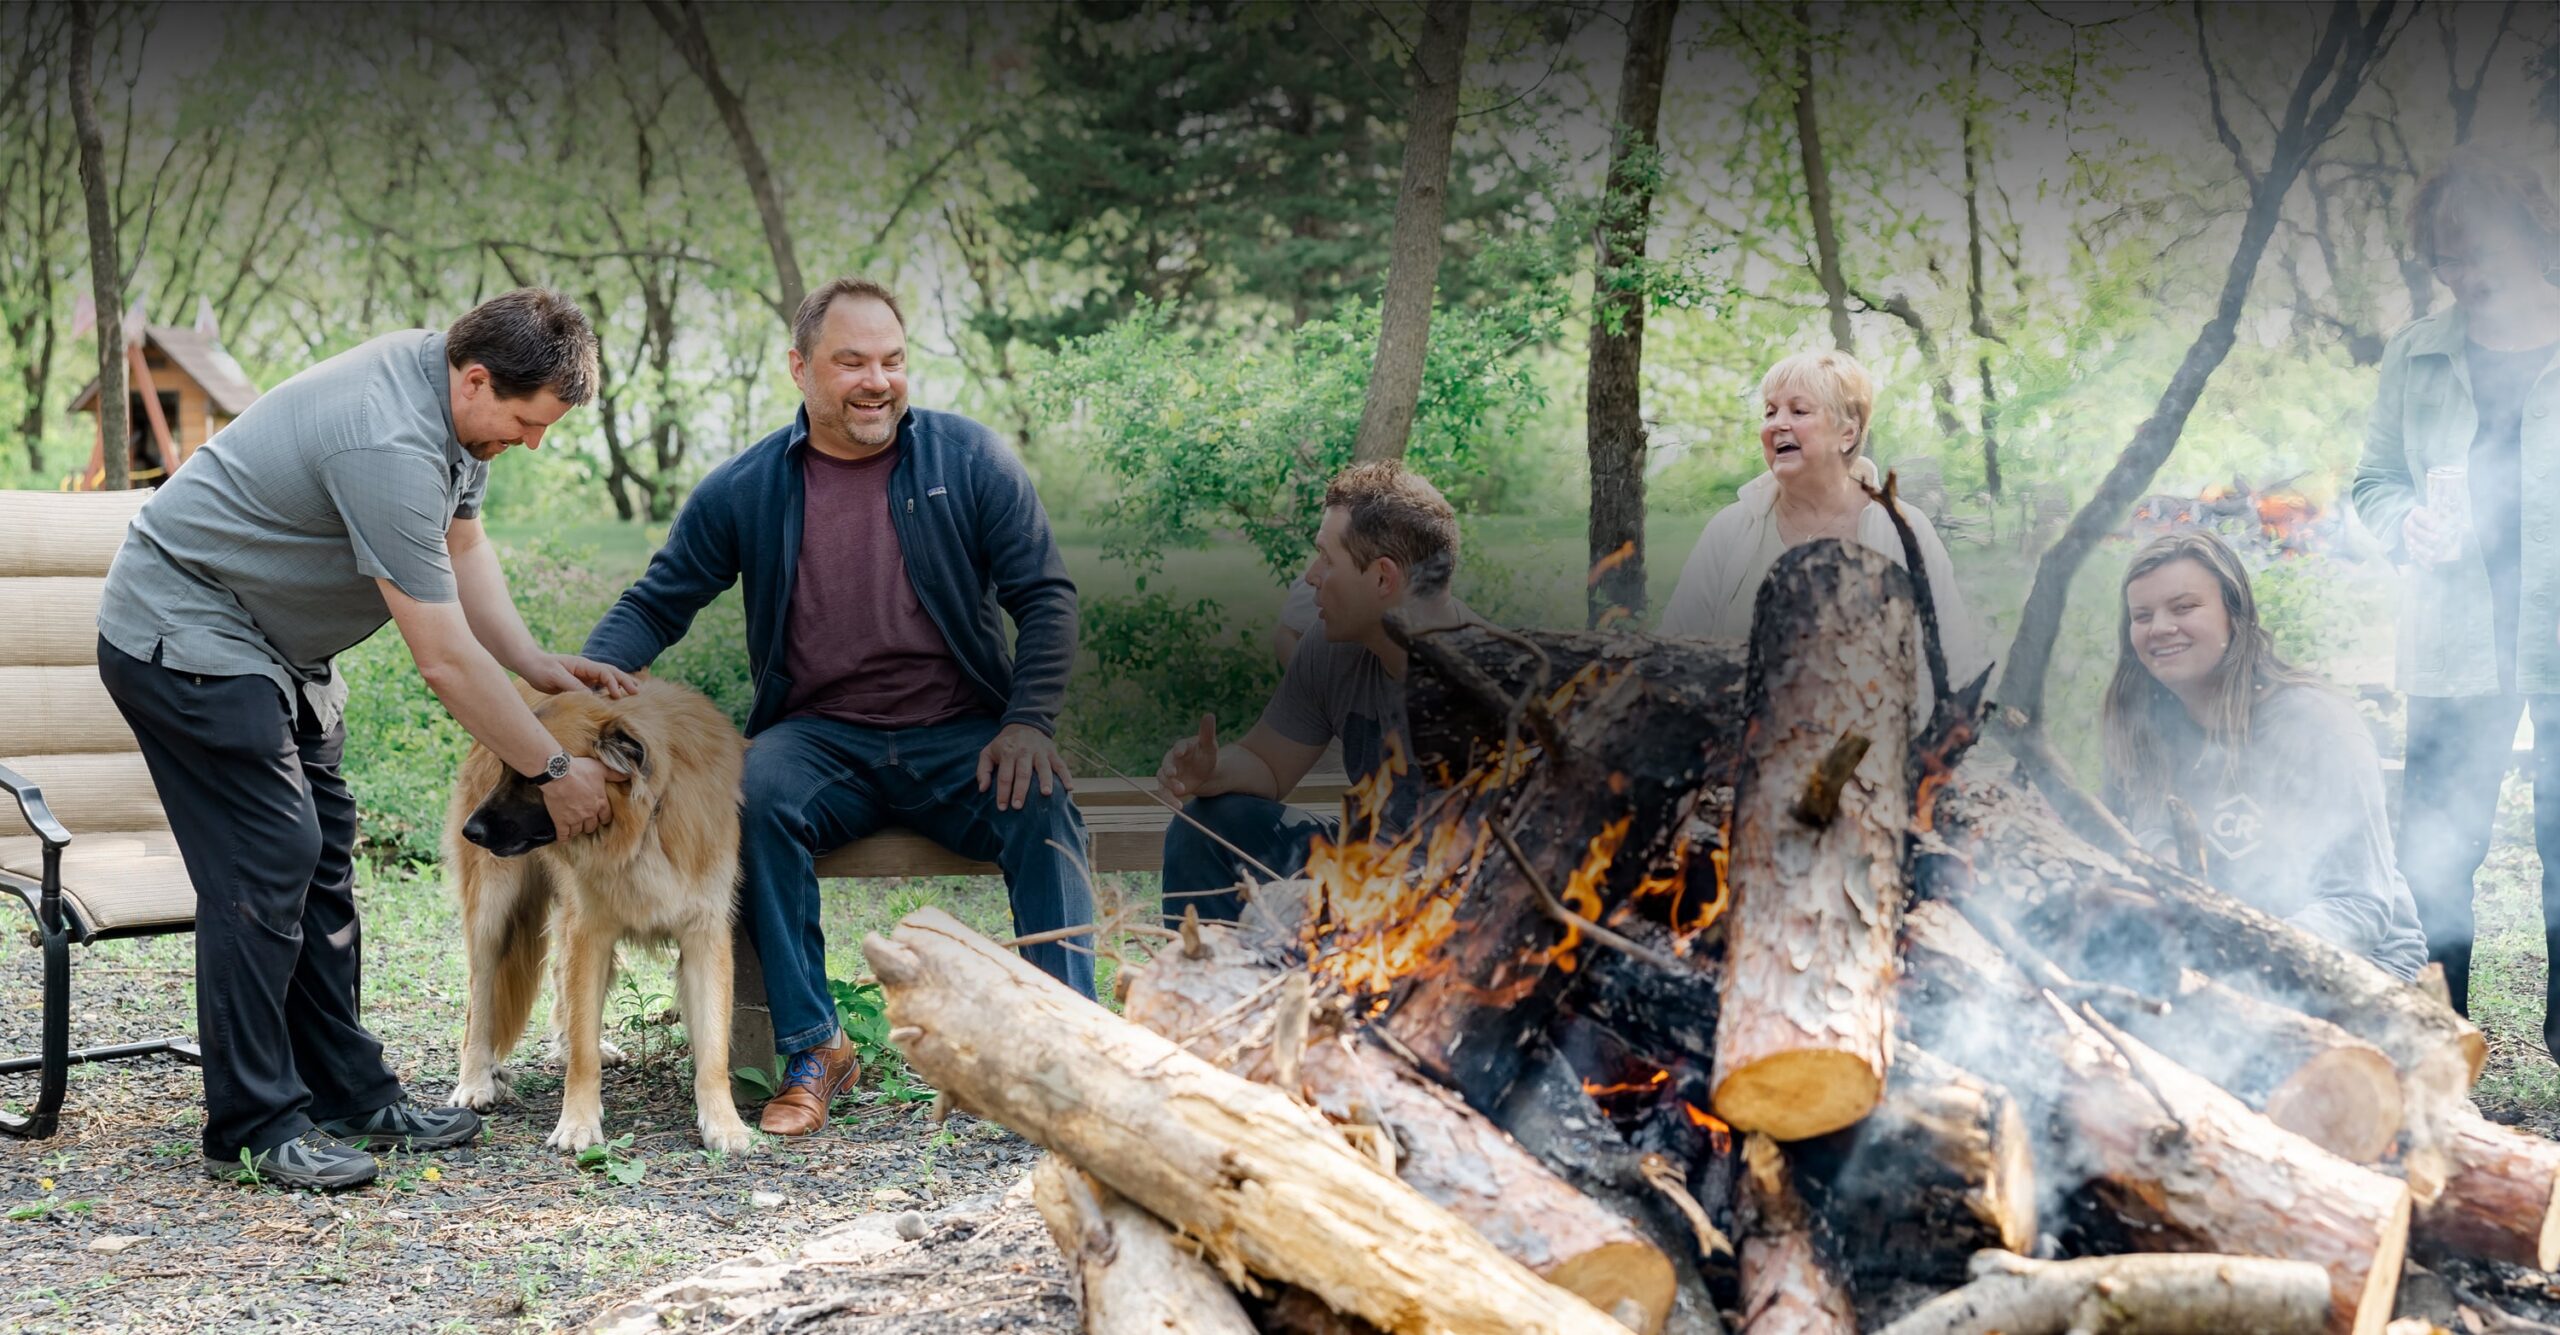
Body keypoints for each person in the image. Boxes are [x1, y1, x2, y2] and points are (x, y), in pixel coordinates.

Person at [95, 289, 637, 1190]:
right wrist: (547, 769)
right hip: (187, 628)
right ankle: (256, 1122)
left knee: (322, 852)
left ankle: (345, 1090)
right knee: (269, 854)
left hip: (276, 647)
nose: (531, 440)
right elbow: (443, 659)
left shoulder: (455, 406)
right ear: (474, 379)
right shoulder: (387, 442)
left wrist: (536, 661)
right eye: (524, 421)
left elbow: (463, 551)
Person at [580, 277, 1092, 1137]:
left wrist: (1028, 720)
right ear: (800, 369)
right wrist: (581, 697)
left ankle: (1073, 1047)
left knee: (1038, 798)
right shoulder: (749, 487)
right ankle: (817, 1046)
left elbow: (1046, 597)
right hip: (821, 739)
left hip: (962, 732)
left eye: (892, 361)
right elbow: (656, 603)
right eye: (851, 361)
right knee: (756, 792)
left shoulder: (968, 460)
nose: (876, 380)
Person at [2352, 149, 2560, 1033]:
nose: (2461, 273)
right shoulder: (2417, 351)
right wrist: (2403, 523)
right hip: (2453, 643)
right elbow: (2375, 481)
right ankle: (2436, 1054)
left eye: (2475, 250)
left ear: (2530, 231)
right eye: (2444, 257)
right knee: (2433, 862)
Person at [2100, 530, 2428, 979]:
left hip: (2358, 965)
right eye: (2142, 615)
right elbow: (2129, 857)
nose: (2159, 628)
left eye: (2184, 607)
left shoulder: (2314, 723)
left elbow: (2360, 905)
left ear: (2234, 616)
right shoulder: (2140, 727)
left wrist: (2240, 958)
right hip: (2212, 957)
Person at [1158, 462, 1469, 923]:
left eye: (1327, 558)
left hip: (1458, 895)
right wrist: (1210, 770)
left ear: (1383, 579)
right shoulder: (1330, 648)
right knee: (1208, 825)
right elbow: (1267, 764)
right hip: (1367, 858)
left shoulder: (1489, 684)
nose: (1310, 575)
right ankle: (1207, 986)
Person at [1656, 349, 1987, 702]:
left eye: (1798, 411)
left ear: (1847, 434)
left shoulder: (1903, 530)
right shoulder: (1731, 529)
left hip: (1873, 746)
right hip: (1737, 744)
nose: (1776, 424)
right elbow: (1675, 650)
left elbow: (1949, 661)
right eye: (1770, 412)